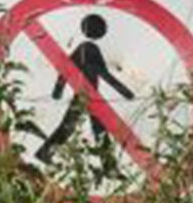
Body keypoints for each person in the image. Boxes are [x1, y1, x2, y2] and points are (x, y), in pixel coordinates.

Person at [33, 12, 133, 164]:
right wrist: (126, 93)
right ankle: (44, 152)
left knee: (92, 129)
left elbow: (65, 72)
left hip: (88, 96)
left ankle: (108, 167)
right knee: (76, 128)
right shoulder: (90, 49)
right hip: (87, 96)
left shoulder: (83, 48)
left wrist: (57, 92)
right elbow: (104, 74)